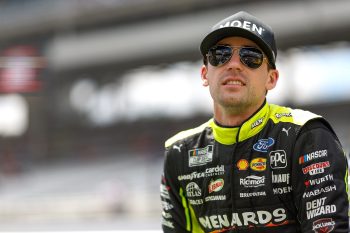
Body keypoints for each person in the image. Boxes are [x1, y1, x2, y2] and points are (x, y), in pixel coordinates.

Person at [160, 11, 349, 233]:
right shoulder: (179, 152)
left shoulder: (306, 135)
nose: (234, 64)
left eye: (251, 57)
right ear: (204, 74)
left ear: (271, 78)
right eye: (220, 54)